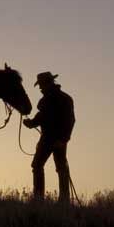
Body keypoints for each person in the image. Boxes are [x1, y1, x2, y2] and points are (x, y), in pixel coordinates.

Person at [23, 72, 75, 203]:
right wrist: (64, 139)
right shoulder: (66, 98)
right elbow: (71, 120)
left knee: (37, 165)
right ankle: (64, 200)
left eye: (41, 85)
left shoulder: (47, 100)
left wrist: (30, 123)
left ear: (47, 84)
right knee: (62, 167)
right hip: (61, 140)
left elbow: (41, 117)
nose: (40, 89)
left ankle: (38, 198)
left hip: (48, 139)